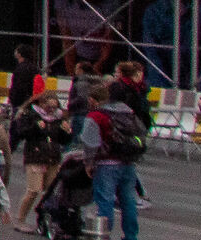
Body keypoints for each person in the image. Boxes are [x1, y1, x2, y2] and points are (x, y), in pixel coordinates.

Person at [81, 79, 145, 240]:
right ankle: (131, 236)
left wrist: (88, 163)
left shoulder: (96, 115)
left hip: (106, 163)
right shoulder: (128, 112)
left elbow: (90, 142)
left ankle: (104, 234)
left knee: (105, 201)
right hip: (128, 162)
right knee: (128, 201)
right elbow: (141, 132)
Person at [10, 85, 70, 225]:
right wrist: (36, 127)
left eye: (54, 108)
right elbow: (22, 133)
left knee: (51, 192)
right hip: (35, 157)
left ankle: (45, 220)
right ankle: (20, 219)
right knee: (33, 191)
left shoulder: (58, 118)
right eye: (48, 108)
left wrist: (67, 132)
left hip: (53, 158)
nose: (51, 111)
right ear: (41, 104)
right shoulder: (31, 115)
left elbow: (63, 140)